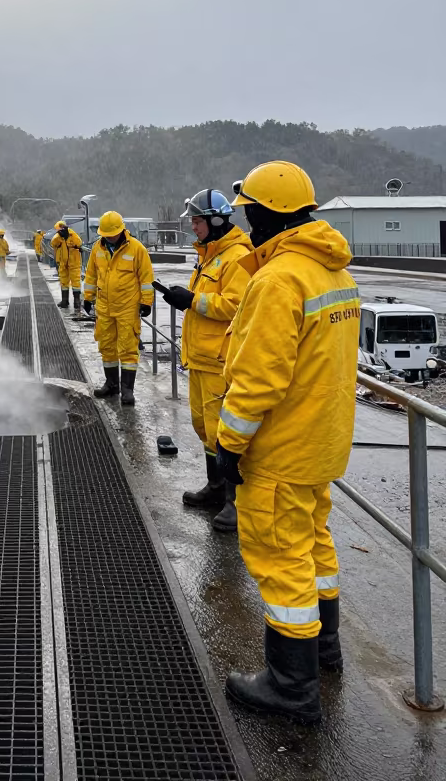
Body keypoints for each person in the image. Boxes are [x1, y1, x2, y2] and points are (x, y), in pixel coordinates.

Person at [216, 161, 359, 724]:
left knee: (281, 558)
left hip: (280, 449)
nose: (245, 222)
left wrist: (229, 444)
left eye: (250, 212)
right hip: (320, 443)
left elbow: (258, 380)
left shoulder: (278, 279)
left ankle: (291, 686)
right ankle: (325, 652)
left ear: (269, 214)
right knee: (315, 545)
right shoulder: (333, 273)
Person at [154, 190, 252, 532]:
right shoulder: (210, 256)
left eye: (197, 221)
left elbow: (236, 305)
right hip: (201, 359)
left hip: (220, 361)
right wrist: (184, 298)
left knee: (225, 434)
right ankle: (215, 487)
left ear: (216, 220)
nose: (193, 227)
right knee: (204, 429)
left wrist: (192, 300)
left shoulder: (237, 257)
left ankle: (236, 502)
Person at [82, 211, 154, 405]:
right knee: (106, 346)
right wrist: (88, 297)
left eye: (112, 234)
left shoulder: (137, 249)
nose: (109, 238)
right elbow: (91, 275)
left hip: (127, 307)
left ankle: (127, 390)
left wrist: (146, 302)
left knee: (128, 348)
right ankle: (112, 385)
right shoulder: (98, 248)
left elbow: (146, 278)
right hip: (104, 306)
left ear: (122, 230)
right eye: (105, 235)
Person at [52, 220, 84, 311]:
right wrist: (59, 236)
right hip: (63, 263)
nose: (60, 231)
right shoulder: (58, 237)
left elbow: (79, 243)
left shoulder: (72, 234)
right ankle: (64, 301)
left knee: (75, 281)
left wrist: (69, 236)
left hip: (74, 262)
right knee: (63, 281)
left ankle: (77, 301)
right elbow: (53, 243)